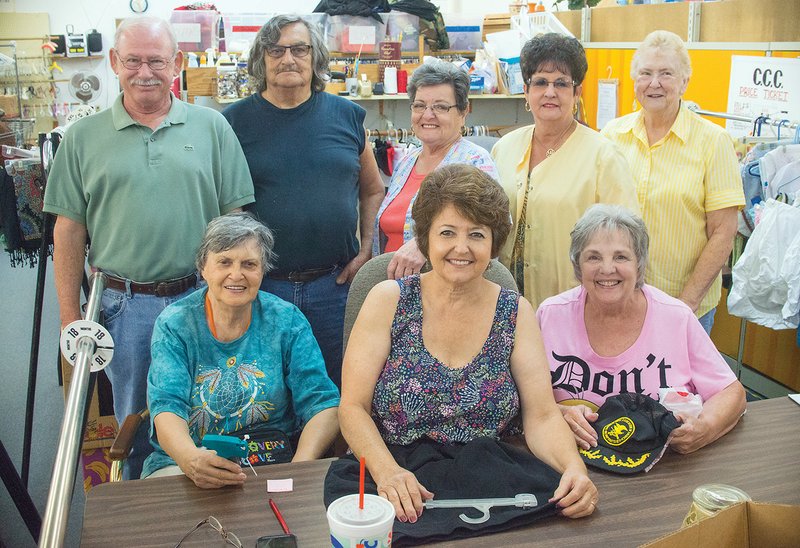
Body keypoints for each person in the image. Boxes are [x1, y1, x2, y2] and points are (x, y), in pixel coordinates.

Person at [42, 17, 255, 479]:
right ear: (114, 63)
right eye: (133, 60)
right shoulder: (82, 138)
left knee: (210, 411)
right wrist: (69, 319)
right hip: (126, 306)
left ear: (175, 64)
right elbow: (68, 231)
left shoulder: (213, 127)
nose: (145, 72)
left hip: (205, 300)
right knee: (137, 423)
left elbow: (236, 222)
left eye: (156, 61)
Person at [340, 164, 597, 523]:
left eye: (476, 234)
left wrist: (573, 469)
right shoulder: (388, 300)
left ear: (493, 243)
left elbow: (540, 415)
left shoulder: (515, 311)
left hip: (492, 475)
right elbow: (352, 408)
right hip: (399, 478)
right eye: (447, 232)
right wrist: (387, 473)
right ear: (426, 239)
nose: (461, 248)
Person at [222, 15, 384, 388]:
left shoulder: (347, 116)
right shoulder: (233, 123)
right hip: (264, 287)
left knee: (335, 389)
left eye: (298, 49)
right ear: (261, 60)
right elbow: (225, 204)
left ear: (315, 57)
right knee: (267, 390)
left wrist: (366, 247)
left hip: (335, 286)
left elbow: (373, 187)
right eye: (275, 50)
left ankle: (329, 452)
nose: (288, 58)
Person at [142, 213, 340, 487]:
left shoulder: (287, 320)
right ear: (203, 267)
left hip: (272, 460)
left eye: (249, 264)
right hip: (187, 461)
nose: (237, 275)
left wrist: (299, 468)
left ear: (263, 270)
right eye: (224, 262)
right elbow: (166, 406)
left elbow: (323, 404)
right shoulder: (175, 324)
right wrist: (190, 459)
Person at [537, 204, 746, 455]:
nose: (606, 269)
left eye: (621, 257)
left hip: (663, 466)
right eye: (593, 257)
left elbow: (731, 392)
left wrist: (704, 428)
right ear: (578, 265)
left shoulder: (676, 316)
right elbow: (524, 400)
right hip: (572, 462)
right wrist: (561, 414)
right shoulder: (550, 314)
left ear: (639, 265)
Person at [602, 31, 744, 335]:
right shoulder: (612, 135)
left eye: (666, 73)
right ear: (635, 80)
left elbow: (723, 232)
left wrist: (686, 304)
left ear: (684, 82)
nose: (655, 83)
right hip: (618, 299)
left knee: (674, 383)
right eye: (646, 73)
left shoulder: (713, 142)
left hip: (684, 306)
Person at [491, 33, 639, 308]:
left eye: (561, 83)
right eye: (540, 82)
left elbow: (628, 241)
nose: (550, 92)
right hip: (504, 303)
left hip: (574, 305)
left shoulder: (603, 156)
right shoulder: (505, 148)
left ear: (577, 92)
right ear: (526, 90)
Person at [372, 60, 498, 278]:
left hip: (445, 291)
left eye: (440, 107)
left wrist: (423, 244)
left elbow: (491, 231)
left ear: (463, 111)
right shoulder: (406, 162)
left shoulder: (476, 162)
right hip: (393, 289)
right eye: (419, 105)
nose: (427, 115)